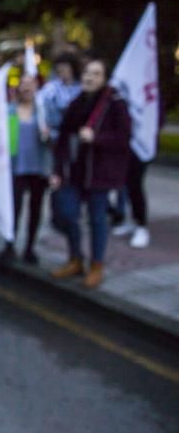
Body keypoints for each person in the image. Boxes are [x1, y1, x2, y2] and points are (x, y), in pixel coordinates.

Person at [50, 58, 131, 289]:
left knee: (97, 220)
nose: (89, 77)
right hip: (74, 172)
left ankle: (96, 265)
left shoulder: (114, 103)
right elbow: (64, 138)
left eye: (96, 74)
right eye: (87, 73)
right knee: (65, 213)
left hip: (100, 174)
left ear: (104, 78)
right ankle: (75, 257)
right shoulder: (77, 103)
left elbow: (123, 138)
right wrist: (57, 170)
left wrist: (97, 139)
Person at [4, 75, 48, 264]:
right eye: (24, 85)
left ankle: (30, 247)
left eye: (31, 85)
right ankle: (9, 244)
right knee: (14, 208)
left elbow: (55, 135)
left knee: (35, 209)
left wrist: (49, 133)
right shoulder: (10, 111)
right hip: (16, 167)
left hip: (38, 167)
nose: (27, 89)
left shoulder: (43, 112)